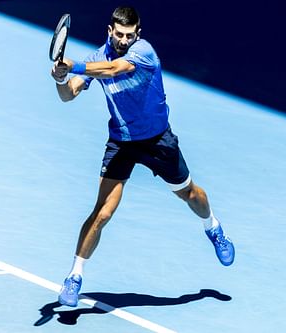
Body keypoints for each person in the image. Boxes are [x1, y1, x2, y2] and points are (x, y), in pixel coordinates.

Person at [51, 6, 234, 307]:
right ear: (110, 31)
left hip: (158, 141)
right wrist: (60, 78)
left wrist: (73, 65)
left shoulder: (143, 52)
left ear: (138, 34)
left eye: (129, 35)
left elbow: (116, 69)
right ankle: (74, 276)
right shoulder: (96, 58)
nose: (124, 40)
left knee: (190, 195)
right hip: (122, 142)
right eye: (119, 35)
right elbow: (69, 94)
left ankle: (213, 227)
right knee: (102, 212)